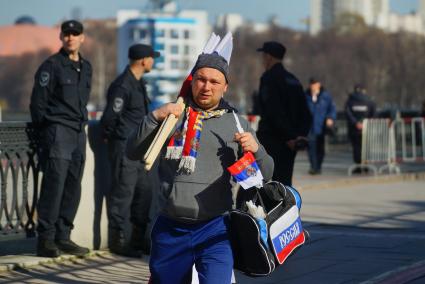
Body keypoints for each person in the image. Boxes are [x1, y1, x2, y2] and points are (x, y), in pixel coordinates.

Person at [127, 51, 274, 283]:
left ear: (225, 86)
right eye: (201, 79)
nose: (206, 86)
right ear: (192, 81)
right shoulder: (173, 117)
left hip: (216, 229)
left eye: (214, 81)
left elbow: (266, 175)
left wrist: (257, 150)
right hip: (170, 228)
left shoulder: (236, 123)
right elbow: (132, 151)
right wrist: (155, 116)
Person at [30, 20, 91, 257]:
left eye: (75, 34)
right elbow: (38, 104)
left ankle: (63, 236)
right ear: (61, 37)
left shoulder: (86, 67)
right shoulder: (51, 66)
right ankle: (45, 240)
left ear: (82, 38)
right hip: (58, 130)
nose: (71, 37)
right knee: (54, 185)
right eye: (67, 34)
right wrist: (45, 135)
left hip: (77, 131)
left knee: (73, 185)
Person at [100, 44, 160, 257]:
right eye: (152, 58)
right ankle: (118, 241)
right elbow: (109, 119)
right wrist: (118, 142)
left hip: (140, 149)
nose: (153, 62)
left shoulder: (138, 84)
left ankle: (138, 240)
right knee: (122, 194)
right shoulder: (123, 85)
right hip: (125, 148)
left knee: (144, 194)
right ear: (144, 60)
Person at [255, 41, 311, 186]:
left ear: (268, 57)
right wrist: (299, 136)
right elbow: (305, 112)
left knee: (259, 184)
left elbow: (273, 112)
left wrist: (288, 137)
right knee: (284, 185)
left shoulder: (268, 78)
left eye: (263, 56)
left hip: (272, 139)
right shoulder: (293, 80)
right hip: (290, 144)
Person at [305, 78, 336, 175]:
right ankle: (313, 167)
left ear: (319, 84)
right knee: (310, 148)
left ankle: (318, 166)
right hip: (309, 127)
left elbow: (332, 108)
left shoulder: (325, 96)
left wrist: (330, 118)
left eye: (315, 84)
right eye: (311, 84)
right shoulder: (305, 95)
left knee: (320, 148)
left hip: (321, 126)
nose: (313, 86)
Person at [345, 84, 376, 170]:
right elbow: (373, 113)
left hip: (353, 129)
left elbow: (348, 113)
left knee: (356, 147)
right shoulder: (369, 100)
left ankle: (358, 166)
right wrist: (365, 123)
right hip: (366, 128)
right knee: (365, 147)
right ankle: (365, 166)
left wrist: (356, 123)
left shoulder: (350, 101)